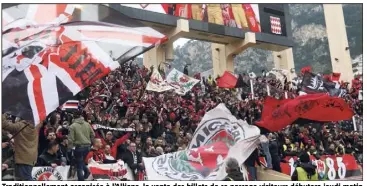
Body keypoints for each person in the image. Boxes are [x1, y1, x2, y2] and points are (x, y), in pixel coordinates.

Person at [2, 114, 41, 181]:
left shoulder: (21, 125)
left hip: (23, 158)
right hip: (30, 158)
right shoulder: (36, 126)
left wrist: (4, 113)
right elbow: (24, 139)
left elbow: (4, 124)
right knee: (24, 178)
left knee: (27, 179)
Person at [68, 110, 95, 181]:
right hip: (87, 147)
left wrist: (70, 149)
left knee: (79, 167)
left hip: (78, 148)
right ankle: (87, 171)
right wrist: (91, 144)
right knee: (80, 162)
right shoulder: (87, 124)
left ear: (73, 117)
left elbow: (70, 139)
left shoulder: (72, 126)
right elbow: (93, 135)